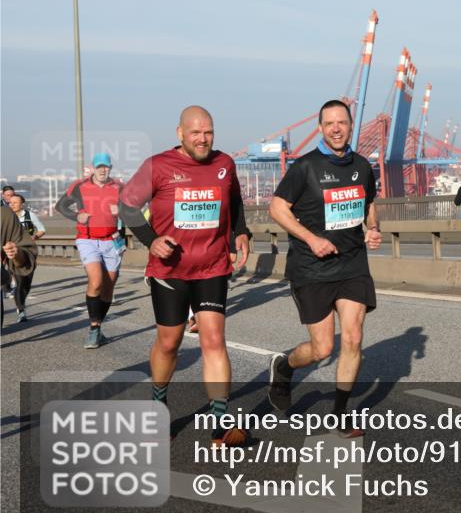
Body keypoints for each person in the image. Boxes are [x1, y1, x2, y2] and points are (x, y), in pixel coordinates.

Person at [119, 106, 251, 447]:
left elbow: (234, 201)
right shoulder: (158, 166)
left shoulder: (224, 164)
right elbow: (127, 206)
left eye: (208, 132)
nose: (203, 139)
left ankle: (221, 424)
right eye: (196, 133)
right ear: (180, 133)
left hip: (212, 266)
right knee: (169, 343)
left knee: (213, 339)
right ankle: (158, 403)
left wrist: (241, 232)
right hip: (170, 270)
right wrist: (152, 241)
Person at [266, 99, 381, 438]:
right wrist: (310, 238)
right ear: (320, 128)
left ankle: (341, 413)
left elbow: (369, 203)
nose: (336, 128)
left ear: (349, 126)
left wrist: (373, 229)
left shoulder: (362, 166)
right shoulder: (305, 167)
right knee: (322, 349)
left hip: (352, 264)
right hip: (311, 268)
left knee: (353, 336)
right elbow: (276, 208)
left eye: (342, 122)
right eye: (329, 123)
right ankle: (284, 366)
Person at [55, 153, 124, 348]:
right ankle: (94, 328)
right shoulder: (79, 186)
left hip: (112, 240)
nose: (103, 170)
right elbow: (60, 206)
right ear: (93, 168)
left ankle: (98, 326)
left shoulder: (119, 187)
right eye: (99, 166)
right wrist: (77, 215)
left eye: (106, 167)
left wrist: (121, 210)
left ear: (110, 168)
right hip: (87, 239)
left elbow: (133, 208)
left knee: (109, 285)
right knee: (96, 281)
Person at [8, 195, 45, 322]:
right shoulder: (7, 217)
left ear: (22, 204)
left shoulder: (29, 216)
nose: (12, 205)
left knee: (27, 283)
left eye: (15, 202)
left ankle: (21, 302)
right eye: (11, 202)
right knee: (19, 282)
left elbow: (41, 230)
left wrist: (34, 237)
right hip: (13, 253)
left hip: (28, 252)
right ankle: (21, 310)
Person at [1, 206, 37, 327]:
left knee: (22, 284)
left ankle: (21, 308)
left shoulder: (4, 215)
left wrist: (16, 253)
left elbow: (25, 252)